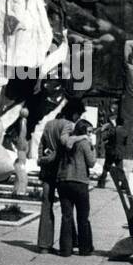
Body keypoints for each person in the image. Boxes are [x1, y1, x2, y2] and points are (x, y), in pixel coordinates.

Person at [36, 98, 86, 252]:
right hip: (62, 170)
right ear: (75, 113)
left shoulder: (49, 124)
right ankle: (70, 242)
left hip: (47, 170)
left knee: (46, 205)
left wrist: (43, 160)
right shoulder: (68, 125)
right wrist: (81, 137)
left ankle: (44, 244)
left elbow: (41, 145)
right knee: (68, 209)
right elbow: (66, 141)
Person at [57, 118, 96, 256]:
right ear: (84, 131)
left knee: (66, 216)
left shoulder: (66, 141)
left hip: (63, 180)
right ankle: (85, 248)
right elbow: (91, 163)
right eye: (89, 131)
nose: (90, 135)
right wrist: (93, 146)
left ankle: (65, 249)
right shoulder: (85, 143)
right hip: (79, 182)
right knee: (83, 217)